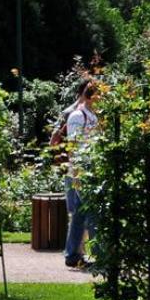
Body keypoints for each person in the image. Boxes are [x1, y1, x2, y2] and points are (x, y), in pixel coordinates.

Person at [52, 80, 100, 267]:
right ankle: (101, 254)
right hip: (80, 173)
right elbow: (72, 147)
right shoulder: (76, 116)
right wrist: (78, 174)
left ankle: (72, 255)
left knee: (80, 215)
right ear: (91, 96)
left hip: (88, 171)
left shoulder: (92, 116)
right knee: (94, 212)